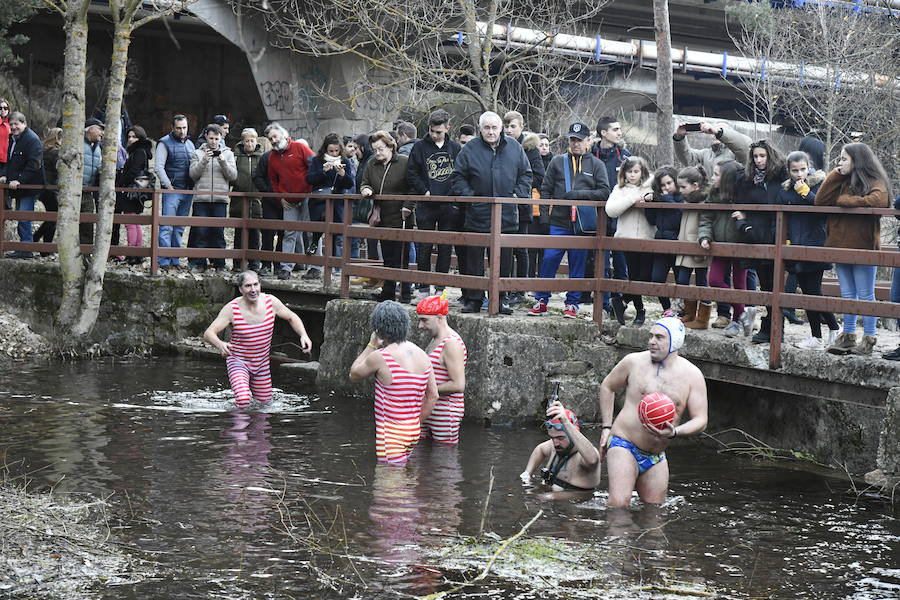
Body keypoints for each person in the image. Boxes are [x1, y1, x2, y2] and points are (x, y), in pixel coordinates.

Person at [597, 317, 708, 507]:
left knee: (654, 511)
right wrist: (606, 427)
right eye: (650, 336)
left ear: (675, 342)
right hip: (624, 443)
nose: (651, 341)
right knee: (619, 504)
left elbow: (701, 420)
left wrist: (675, 432)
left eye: (659, 337)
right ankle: (614, 537)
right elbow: (607, 386)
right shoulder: (633, 362)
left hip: (656, 455)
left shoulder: (692, 375)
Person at [449, 111, 532, 315]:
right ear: (480, 129)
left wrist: (516, 195)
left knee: (504, 260)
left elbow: (526, 175)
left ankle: (501, 298)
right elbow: (458, 178)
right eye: (486, 128)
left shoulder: (514, 148)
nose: (491, 131)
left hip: (506, 215)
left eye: (494, 127)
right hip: (477, 215)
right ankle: (474, 299)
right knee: (473, 260)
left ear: (501, 128)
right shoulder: (469, 149)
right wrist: (472, 198)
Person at [815, 142, 891, 356]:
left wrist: (847, 201)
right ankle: (848, 335)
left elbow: (880, 199)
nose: (840, 162)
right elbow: (820, 201)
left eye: (844, 159)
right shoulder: (841, 179)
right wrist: (835, 174)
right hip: (840, 244)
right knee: (848, 294)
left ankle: (869, 337)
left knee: (866, 294)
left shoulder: (874, 179)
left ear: (857, 160)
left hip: (863, 245)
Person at [528, 121, 610, 319]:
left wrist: (578, 195)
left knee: (578, 264)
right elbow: (545, 189)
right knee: (549, 259)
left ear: (588, 140)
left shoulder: (597, 164)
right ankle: (541, 299)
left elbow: (605, 192)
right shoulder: (558, 161)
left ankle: (572, 304)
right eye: (572, 140)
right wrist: (545, 218)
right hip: (559, 222)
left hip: (583, 224)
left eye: (579, 140)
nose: (575, 144)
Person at [673, 121, 751, 326]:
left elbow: (745, 148)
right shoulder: (707, 154)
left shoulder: (736, 153)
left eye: (719, 129)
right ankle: (730, 313)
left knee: (741, 278)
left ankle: (737, 315)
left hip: (737, 230)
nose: (713, 132)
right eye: (713, 129)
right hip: (714, 220)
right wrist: (680, 137)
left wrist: (721, 131)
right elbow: (687, 158)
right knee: (715, 275)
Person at [204, 270, 312, 409]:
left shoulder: (270, 302)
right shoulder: (232, 309)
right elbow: (209, 333)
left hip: (261, 364)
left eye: (256, 284)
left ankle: (254, 429)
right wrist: (220, 344)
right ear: (240, 289)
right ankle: (237, 429)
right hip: (238, 362)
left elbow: (292, 317)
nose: (253, 289)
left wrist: (303, 335)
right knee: (243, 400)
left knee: (264, 405)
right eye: (248, 286)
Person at [349, 300, 438, 465]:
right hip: (413, 431)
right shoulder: (423, 355)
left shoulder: (381, 357)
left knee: (389, 484)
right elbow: (433, 396)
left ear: (379, 329)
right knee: (404, 481)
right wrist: (415, 422)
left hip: (391, 433)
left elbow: (354, 374)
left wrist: (371, 345)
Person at [778, 151, 839, 350]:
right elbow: (783, 217)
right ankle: (819, 335)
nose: (799, 174)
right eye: (794, 170)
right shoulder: (786, 190)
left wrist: (806, 192)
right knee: (807, 292)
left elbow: (823, 212)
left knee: (814, 292)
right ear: (789, 170)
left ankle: (830, 330)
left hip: (815, 243)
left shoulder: (819, 184)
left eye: (802, 169)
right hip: (794, 244)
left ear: (809, 166)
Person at [733, 140, 788, 345]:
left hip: (776, 235)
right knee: (765, 285)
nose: (759, 160)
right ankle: (769, 327)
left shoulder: (781, 176)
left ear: (769, 156)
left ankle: (776, 328)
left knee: (776, 285)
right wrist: (744, 225)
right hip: (755, 236)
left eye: (762, 156)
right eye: (755, 156)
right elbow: (739, 206)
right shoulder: (747, 179)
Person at [407, 109, 462, 300]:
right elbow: (412, 172)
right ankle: (423, 288)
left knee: (445, 247)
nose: (434, 135)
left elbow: (460, 175)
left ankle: (440, 288)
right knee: (424, 245)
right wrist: (424, 191)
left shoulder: (455, 148)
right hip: (426, 204)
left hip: (448, 204)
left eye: (438, 131)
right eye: (431, 131)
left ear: (448, 128)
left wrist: (451, 195)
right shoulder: (420, 147)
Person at [698, 161, 754, 338]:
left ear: (727, 178)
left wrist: (745, 217)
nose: (712, 177)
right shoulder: (713, 194)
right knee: (714, 279)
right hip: (720, 245)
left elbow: (757, 213)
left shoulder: (743, 194)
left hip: (741, 245)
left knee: (740, 284)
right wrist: (705, 236)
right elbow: (706, 217)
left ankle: (737, 322)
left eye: (716, 174)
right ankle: (743, 313)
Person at [360, 130, 416, 303]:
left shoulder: (404, 162)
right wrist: (366, 190)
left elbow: (414, 187)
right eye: (375, 149)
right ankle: (388, 292)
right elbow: (364, 182)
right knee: (388, 257)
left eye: (381, 149)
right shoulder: (371, 164)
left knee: (403, 257)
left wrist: (408, 206)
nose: (377, 153)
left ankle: (406, 293)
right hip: (382, 216)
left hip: (402, 216)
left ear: (391, 146)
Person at [605, 156, 654, 325]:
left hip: (648, 239)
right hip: (627, 239)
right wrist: (633, 198)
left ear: (642, 172)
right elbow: (611, 210)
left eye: (636, 171)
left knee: (645, 276)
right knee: (633, 276)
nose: (632, 175)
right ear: (624, 173)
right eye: (629, 171)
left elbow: (660, 189)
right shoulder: (620, 189)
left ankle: (622, 301)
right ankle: (640, 311)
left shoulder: (650, 185)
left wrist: (648, 196)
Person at [503, 111, 545, 304]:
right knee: (504, 247)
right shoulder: (501, 146)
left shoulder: (530, 149)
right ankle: (505, 288)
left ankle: (520, 291)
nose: (509, 130)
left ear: (521, 126)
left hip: (521, 204)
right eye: (507, 126)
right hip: (503, 205)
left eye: (513, 126)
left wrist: (517, 186)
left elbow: (538, 176)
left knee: (521, 248)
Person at [591, 117, 631, 315]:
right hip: (598, 219)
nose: (619, 132)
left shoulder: (625, 157)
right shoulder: (590, 154)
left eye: (620, 129)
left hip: (621, 219)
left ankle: (620, 305)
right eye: (615, 129)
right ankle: (604, 305)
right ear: (603, 133)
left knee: (622, 266)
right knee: (601, 264)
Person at [415, 293, 467, 444]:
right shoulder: (435, 339)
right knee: (418, 455)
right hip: (429, 406)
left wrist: (427, 389)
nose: (420, 326)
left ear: (439, 318)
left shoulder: (451, 344)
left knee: (444, 459)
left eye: (424, 320)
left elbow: (458, 385)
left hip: (445, 411)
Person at [266, 122, 315, 281]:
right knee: (289, 232)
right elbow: (273, 180)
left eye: (275, 136)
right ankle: (286, 268)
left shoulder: (299, 147)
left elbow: (314, 164)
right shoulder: (272, 157)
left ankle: (316, 266)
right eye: (270, 138)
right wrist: (280, 197)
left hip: (307, 196)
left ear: (283, 134)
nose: (273, 140)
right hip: (288, 199)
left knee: (313, 232)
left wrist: (312, 189)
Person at [520, 401, 601, 492]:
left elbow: (593, 460)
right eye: (552, 438)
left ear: (573, 433)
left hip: (577, 499)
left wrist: (566, 422)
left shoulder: (584, 455)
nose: (555, 443)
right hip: (552, 495)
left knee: (543, 497)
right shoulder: (555, 445)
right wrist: (527, 473)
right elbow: (540, 450)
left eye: (560, 438)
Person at [188, 123, 237, 273]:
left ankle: (220, 264)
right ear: (206, 137)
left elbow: (233, 176)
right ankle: (200, 263)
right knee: (201, 232)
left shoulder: (228, 154)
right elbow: (193, 175)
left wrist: (222, 161)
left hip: (220, 200)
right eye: (211, 138)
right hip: (201, 199)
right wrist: (204, 160)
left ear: (221, 138)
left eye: (216, 138)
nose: (213, 142)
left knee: (218, 233)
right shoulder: (197, 153)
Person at [305, 133, 354, 278]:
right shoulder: (317, 160)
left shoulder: (345, 161)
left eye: (336, 151)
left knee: (336, 233)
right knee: (320, 223)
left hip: (337, 202)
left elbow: (350, 183)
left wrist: (342, 173)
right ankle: (315, 249)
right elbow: (309, 179)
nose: (333, 153)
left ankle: (335, 266)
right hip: (319, 201)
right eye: (330, 151)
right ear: (325, 149)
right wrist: (323, 171)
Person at [155, 114, 196, 270]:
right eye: (178, 128)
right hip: (172, 190)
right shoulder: (164, 143)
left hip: (187, 190)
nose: (182, 131)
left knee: (179, 227)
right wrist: (168, 186)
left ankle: (175, 259)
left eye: (184, 127)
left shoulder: (190, 144)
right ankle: (163, 260)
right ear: (172, 128)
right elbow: (159, 167)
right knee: (167, 226)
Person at [0, 111, 43, 259]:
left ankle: (26, 249)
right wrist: (5, 174)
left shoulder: (32, 140)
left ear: (23, 123)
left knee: (24, 217)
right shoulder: (14, 138)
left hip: (29, 186)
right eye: (11, 124)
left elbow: (34, 165)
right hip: (18, 186)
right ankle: (23, 248)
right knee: (21, 217)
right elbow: (10, 160)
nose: (13, 127)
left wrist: (19, 180)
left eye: (16, 124)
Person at [673, 166, 712, 328]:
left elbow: (706, 223)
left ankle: (702, 319)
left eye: (683, 187)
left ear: (695, 185)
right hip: (684, 244)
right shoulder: (685, 199)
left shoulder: (703, 201)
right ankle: (689, 314)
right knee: (682, 280)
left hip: (698, 244)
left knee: (703, 281)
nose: (680, 190)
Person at [112, 125, 152, 264]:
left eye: (134, 136)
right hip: (136, 191)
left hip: (132, 191)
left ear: (140, 138)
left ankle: (132, 253)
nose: (130, 139)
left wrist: (120, 182)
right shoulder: (140, 151)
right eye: (129, 136)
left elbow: (133, 172)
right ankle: (137, 253)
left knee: (130, 223)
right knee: (134, 223)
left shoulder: (139, 151)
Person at [646, 165, 682, 314]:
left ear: (676, 181)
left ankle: (681, 311)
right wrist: (649, 205)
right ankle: (667, 308)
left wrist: (666, 199)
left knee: (681, 280)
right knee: (657, 278)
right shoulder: (659, 198)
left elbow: (679, 217)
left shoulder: (682, 197)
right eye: (662, 185)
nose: (666, 187)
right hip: (660, 242)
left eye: (669, 183)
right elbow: (652, 220)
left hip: (678, 244)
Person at [230, 128, 265, 272]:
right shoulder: (236, 156)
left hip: (257, 200)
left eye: (252, 140)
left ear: (256, 141)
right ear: (242, 142)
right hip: (239, 200)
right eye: (246, 141)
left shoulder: (262, 157)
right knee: (239, 233)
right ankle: (237, 264)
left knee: (255, 234)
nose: (249, 144)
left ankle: (254, 263)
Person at [33, 127, 62, 253]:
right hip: (51, 188)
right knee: (54, 217)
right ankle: (45, 247)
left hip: (42, 188)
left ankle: (40, 240)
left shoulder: (43, 150)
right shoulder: (56, 152)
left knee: (52, 216)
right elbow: (59, 170)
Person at [80, 118, 104, 246]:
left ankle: (86, 253)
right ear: (90, 129)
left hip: (88, 192)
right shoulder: (79, 144)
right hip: (75, 192)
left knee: (88, 223)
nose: (102, 133)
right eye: (99, 129)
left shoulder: (98, 148)